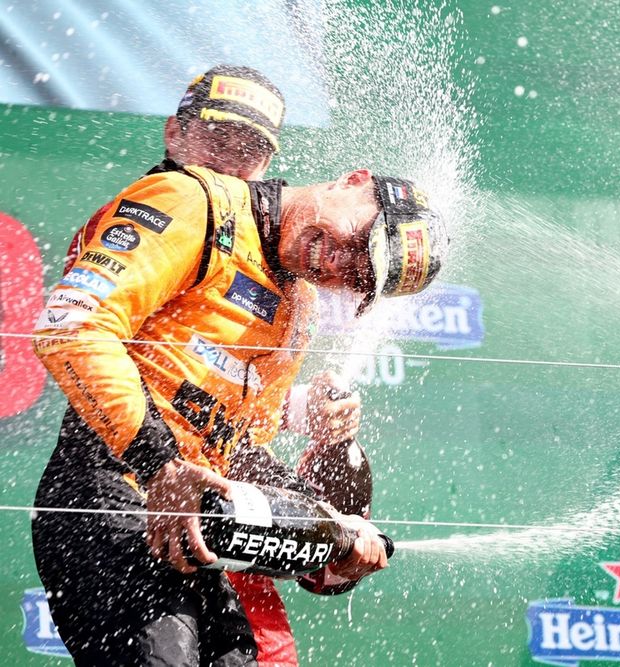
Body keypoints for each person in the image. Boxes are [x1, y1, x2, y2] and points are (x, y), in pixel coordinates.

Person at [31, 63, 448, 665]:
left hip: (188, 524)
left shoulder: (297, 304)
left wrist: (327, 533)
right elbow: (71, 325)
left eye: (358, 275)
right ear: (352, 180)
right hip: (111, 500)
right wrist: (160, 466)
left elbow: (238, 451)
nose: (339, 261)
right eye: (359, 238)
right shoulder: (191, 200)